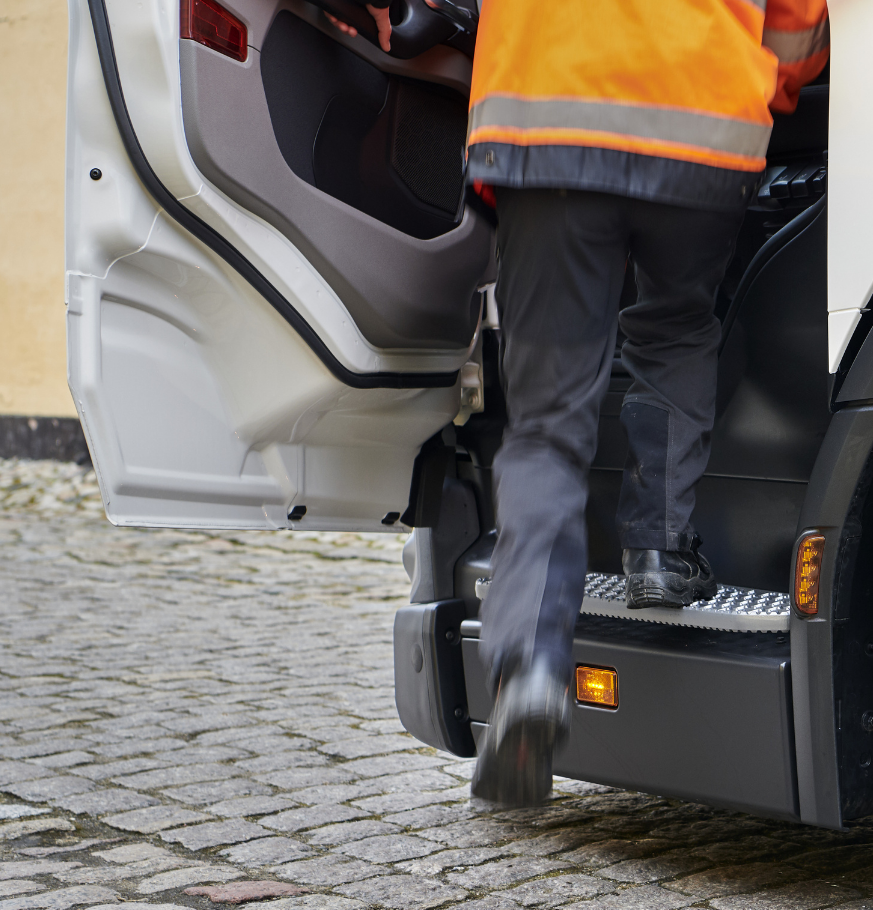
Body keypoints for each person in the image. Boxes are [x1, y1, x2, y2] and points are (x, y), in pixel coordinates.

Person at [336, 0, 829, 808]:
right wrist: (760, 84)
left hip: (548, 123)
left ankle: (529, 671)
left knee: (546, 427)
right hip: (700, 124)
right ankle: (659, 553)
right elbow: (798, 25)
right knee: (676, 332)